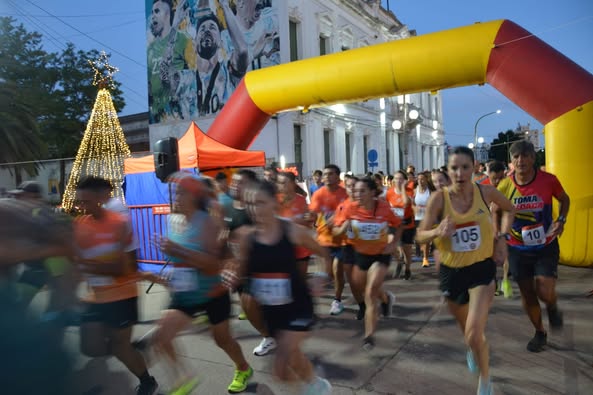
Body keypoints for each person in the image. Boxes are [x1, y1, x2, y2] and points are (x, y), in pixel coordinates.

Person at [416, 146, 515, 395]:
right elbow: (419, 236)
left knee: (473, 332)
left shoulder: (486, 192)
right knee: (468, 334)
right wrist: (437, 232)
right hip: (452, 272)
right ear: (448, 171)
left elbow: (510, 209)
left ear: (474, 168)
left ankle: (485, 380)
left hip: (481, 270)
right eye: (454, 168)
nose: (459, 173)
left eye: (465, 167)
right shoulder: (439, 199)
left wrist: (502, 236)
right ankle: (473, 348)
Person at [223, 179, 333, 395]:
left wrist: (320, 276)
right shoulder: (247, 238)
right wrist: (231, 276)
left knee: (281, 366)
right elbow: (241, 271)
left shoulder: (290, 230)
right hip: (272, 310)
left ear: (274, 202)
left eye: (261, 202)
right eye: (251, 204)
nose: (255, 209)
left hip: (298, 306)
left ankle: (309, 388)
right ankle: (317, 385)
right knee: (293, 358)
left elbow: (323, 254)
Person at [147, 172, 253, 394]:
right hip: (184, 293)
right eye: (176, 192)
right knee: (162, 337)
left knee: (222, 340)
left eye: (182, 192)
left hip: (212, 292)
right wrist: (169, 273)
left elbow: (213, 266)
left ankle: (243, 368)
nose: (177, 196)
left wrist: (176, 250)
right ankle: (183, 380)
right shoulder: (172, 220)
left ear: (195, 197)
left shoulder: (207, 223)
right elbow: (178, 260)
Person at [73, 176, 158, 395]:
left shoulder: (119, 224)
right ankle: (132, 350)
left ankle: (147, 380)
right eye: (80, 202)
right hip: (97, 296)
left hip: (122, 295)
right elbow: (73, 258)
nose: (82, 207)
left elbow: (124, 268)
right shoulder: (80, 224)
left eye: (87, 202)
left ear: (101, 198)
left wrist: (86, 265)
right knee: (90, 347)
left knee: (120, 346)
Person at [494, 140, 570, 353]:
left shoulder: (548, 180)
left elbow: (565, 199)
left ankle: (552, 306)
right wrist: (498, 234)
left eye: (525, 156)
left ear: (533, 158)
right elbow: (495, 209)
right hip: (517, 248)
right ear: (511, 161)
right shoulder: (506, 185)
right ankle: (539, 332)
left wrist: (561, 220)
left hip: (545, 244)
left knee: (544, 289)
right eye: (516, 157)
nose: (520, 160)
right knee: (528, 294)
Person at [333, 177, 401, 350]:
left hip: (380, 255)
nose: (358, 194)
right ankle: (386, 299)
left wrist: (393, 244)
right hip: (360, 255)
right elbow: (335, 231)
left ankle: (368, 336)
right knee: (364, 287)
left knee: (370, 293)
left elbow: (399, 225)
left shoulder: (384, 207)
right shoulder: (349, 208)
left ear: (372, 192)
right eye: (355, 191)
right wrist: (342, 228)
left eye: (362, 191)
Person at [193, 0, 248, 116]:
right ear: (194, 43)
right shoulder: (185, 79)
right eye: (202, 29)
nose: (207, 30)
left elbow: (242, 50)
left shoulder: (229, 72)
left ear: (221, 42)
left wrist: (224, 5)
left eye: (212, 27)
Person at [309, 164, 349, 315]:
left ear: (338, 177)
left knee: (337, 270)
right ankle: (336, 289)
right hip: (323, 238)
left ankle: (337, 300)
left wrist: (337, 218)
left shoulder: (345, 194)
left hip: (341, 239)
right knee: (328, 274)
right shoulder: (318, 194)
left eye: (330, 174)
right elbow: (313, 212)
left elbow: (349, 212)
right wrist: (310, 217)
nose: (326, 177)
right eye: (325, 174)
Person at [147, 0, 193, 123]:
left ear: (168, 15)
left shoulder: (184, 40)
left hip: (180, 117)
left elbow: (193, 76)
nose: (153, 16)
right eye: (152, 12)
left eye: (157, 11)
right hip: (158, 120)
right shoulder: (150, 50)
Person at [481, 160, 513, 298]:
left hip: (504, 224)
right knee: (491, 256)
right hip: (487, 226)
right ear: (488, 175)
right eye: (494, 178)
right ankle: (493, 282)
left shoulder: (509, 186)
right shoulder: (482, 187)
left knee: (506, 255)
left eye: (500, 178)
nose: (497, 181)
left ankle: (505, 280)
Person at [232, 0, 280, 70]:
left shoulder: (268, 19)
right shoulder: (228, 36)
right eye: (256, 7)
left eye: (260, 7)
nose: (258, 11)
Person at [386, 171, 415, 279]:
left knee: (407, 251)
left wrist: (403, 188)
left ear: (404, 180)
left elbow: (406, 202)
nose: (398, 181)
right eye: (396, 178)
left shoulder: (409, 191)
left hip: (407, 224)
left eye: (400, 179)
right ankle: (399, 260)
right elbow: (386, 206)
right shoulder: (389, 192)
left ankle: (407, 269)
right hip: (393, 224)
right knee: (390, 244)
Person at [414, 171, 434, 268]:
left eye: (422, 179)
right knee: (419, 239)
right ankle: (424, 252)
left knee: (425, 239)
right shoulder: (415, 190)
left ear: (426, 180)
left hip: (427, 217)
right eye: (418, 179)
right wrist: (414, 208)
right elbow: (412, 203)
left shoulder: (430, 190)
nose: (420, 181)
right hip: (417, 217)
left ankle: (425, 258)